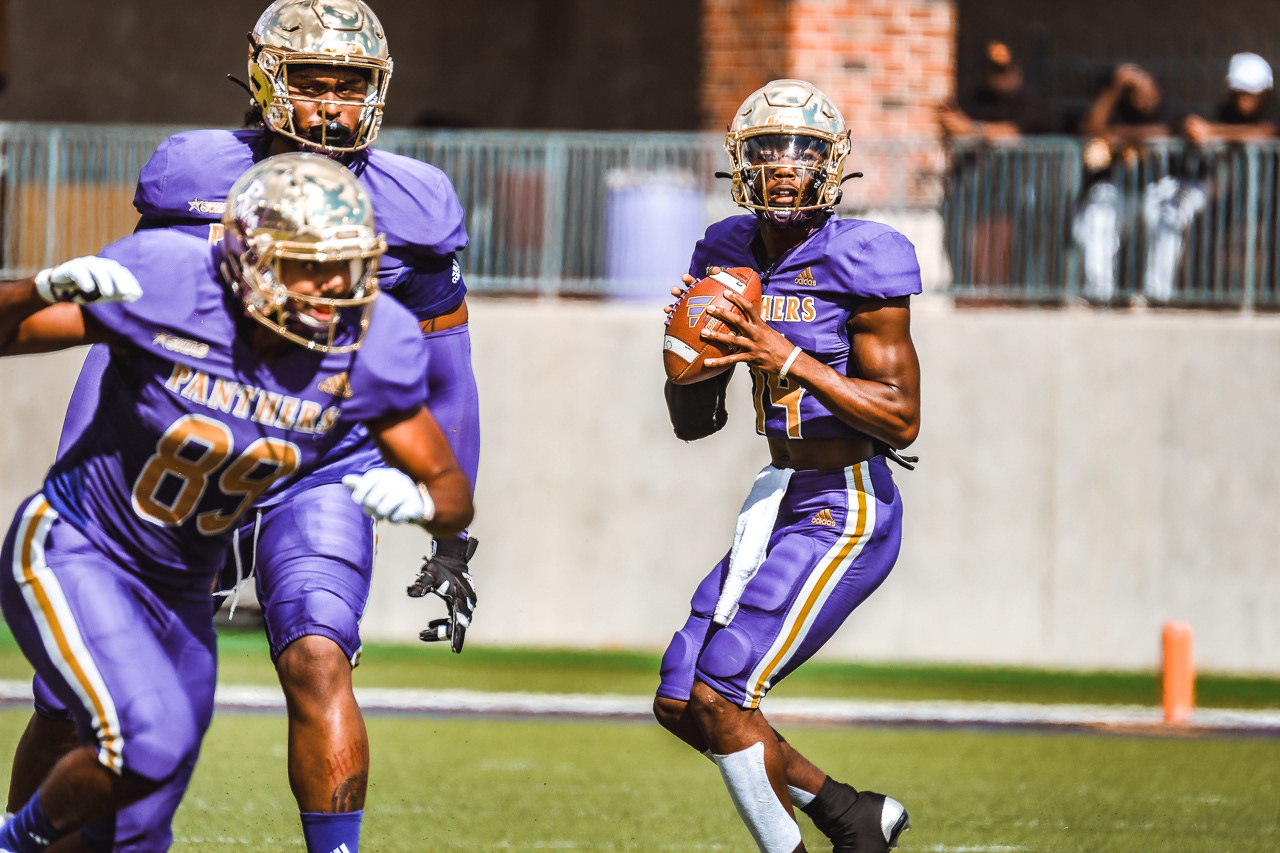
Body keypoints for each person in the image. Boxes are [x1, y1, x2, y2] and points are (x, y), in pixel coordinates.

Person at [5, 3, 481, 852]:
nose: (331, 106)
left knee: (316, 649)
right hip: (177, 435)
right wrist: (81, 484)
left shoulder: (403, 257)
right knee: (77, 701)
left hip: (316, 452)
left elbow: (446, 382)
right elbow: (114, 345)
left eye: (351, 86)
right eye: (311, 82)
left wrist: (447, 525)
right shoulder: (187, 202)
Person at [653, 79, 921, 853]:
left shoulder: (864, 255)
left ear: (831, 163)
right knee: (682, 696)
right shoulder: (725, 249)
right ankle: (850, 814)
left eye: (802, 151)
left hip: (848, 500)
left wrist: (789, 357)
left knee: (723, 689)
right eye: (768, 148)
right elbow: (695, 425)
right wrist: (686, 359)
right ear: (742, 160)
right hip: (778, 493)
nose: (783, 165)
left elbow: (902, 414)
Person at [1075, 63, 1194, 302]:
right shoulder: (1118, 107)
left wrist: (1117, 134)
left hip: (1159, 186)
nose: (1145, 99)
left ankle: (1157, 295)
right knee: (1097, 217)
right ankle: (1098, 293)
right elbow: (1091, 129)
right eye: (1137, 94)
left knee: (1167, 219)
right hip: (1120, 187)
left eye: (1150, 92)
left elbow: (1163, 132)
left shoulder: (1171, 108)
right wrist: (1114, 88)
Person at [939, 40, 1054, 286]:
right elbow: (951, 126)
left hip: (1017, 186)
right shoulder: (976, 98)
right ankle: (967, 287)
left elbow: (1012, 134)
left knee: (1012, 246)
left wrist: (973, 129)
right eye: (994, 71)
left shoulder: (1030, 101)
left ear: (1017, 71)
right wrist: (978, 131)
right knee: (964, 236)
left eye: (1004, 71)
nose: (999, 78)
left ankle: (1015, 290)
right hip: (976, 184)